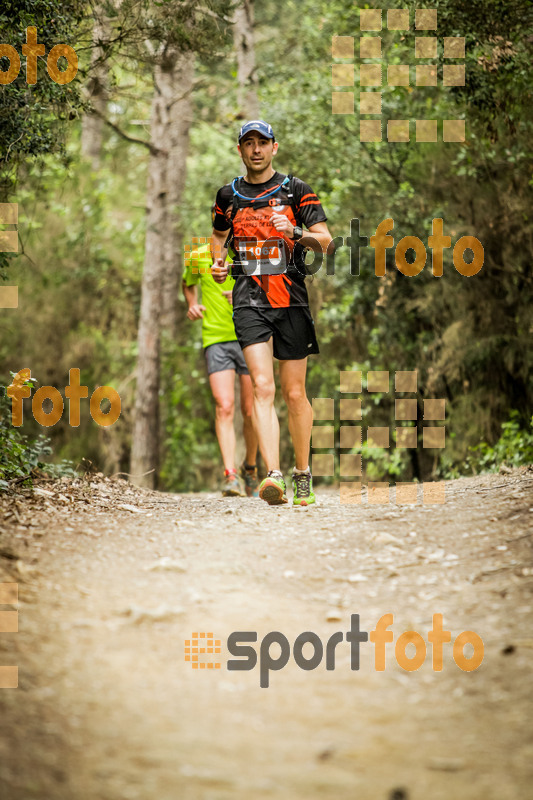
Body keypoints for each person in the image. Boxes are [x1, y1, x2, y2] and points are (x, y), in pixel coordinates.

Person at [211, 120, 332, 506]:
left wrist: (295, 231)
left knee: (295, 393)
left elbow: (327, 244)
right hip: (248, 300)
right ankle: (273, 475)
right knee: (263, 388)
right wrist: (218, 265)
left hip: (291, 300)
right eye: (249, 143)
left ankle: (302, 474)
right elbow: (217, 239)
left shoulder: (296, 190)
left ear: (274, 148)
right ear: (240, 150)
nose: (256, 149)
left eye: (262, 143)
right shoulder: (227, 195)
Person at [183, 211, 259, 497]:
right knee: (224, 405)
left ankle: (250, 466)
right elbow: (187, 283)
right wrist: (192, 303)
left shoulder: (250, 254)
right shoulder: (198, 255)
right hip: (216, 338)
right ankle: (230, 475)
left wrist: (244, 293)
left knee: (251, 410)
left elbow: (270, 290)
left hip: (251, 337)